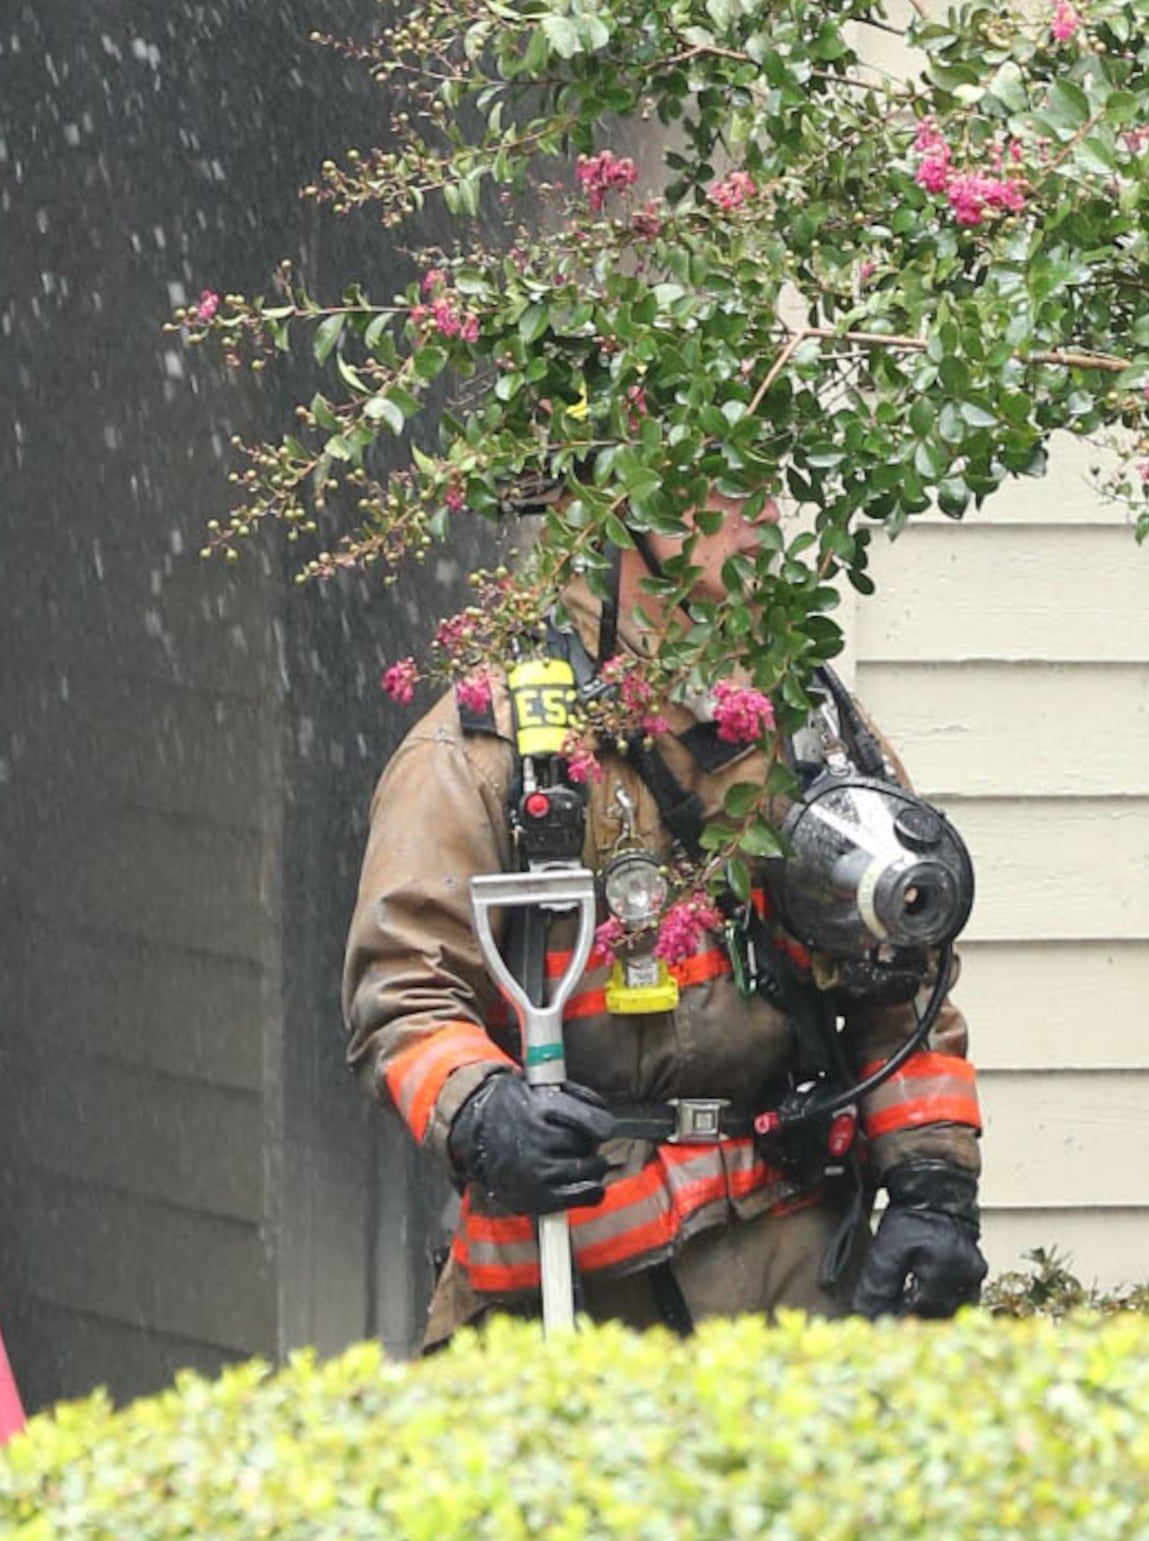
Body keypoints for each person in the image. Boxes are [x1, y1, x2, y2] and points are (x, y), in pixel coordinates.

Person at [345, 519, 985, 1340]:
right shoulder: (484, 752)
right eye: (713, 474)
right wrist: (483, 1110)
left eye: (760, 474)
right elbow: (402, 993)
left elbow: (901, 982)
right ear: (619, 504)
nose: (756, 512)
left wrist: (934, 1187)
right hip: (566, 1300)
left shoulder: (808, 730)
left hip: (799, 1287)